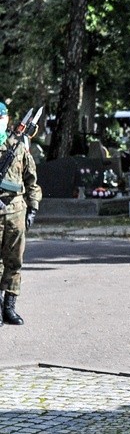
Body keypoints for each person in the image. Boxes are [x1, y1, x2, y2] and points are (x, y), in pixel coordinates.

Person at [0, 102, 41, 326]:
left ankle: (10, 307)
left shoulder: (18, 146)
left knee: (15, 261)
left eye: (2, 118)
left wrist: (33, 207)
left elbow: (31, 180)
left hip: (16, 211)